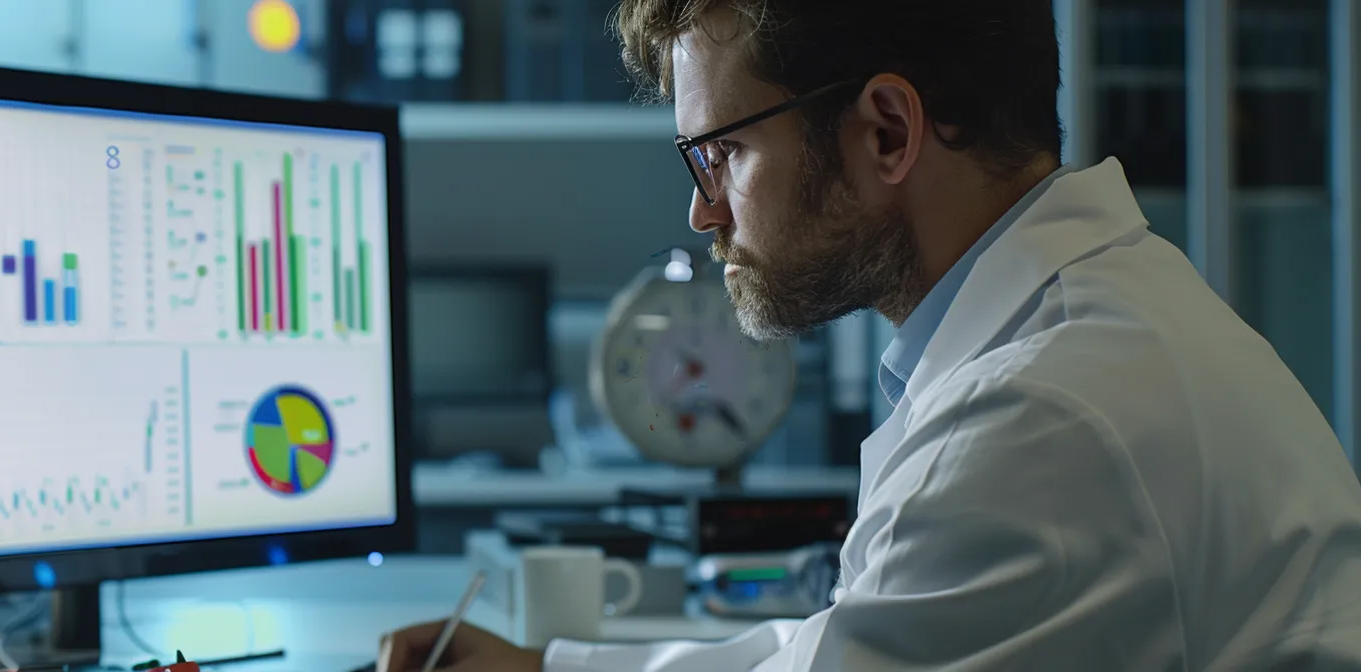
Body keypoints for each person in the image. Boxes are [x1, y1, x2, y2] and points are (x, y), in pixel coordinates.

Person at [377, 0, 1361, 669]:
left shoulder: (1034, 419)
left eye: (721, 152)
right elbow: (843, 646)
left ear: (887, 130)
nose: (703, 213)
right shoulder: (1094, 320)